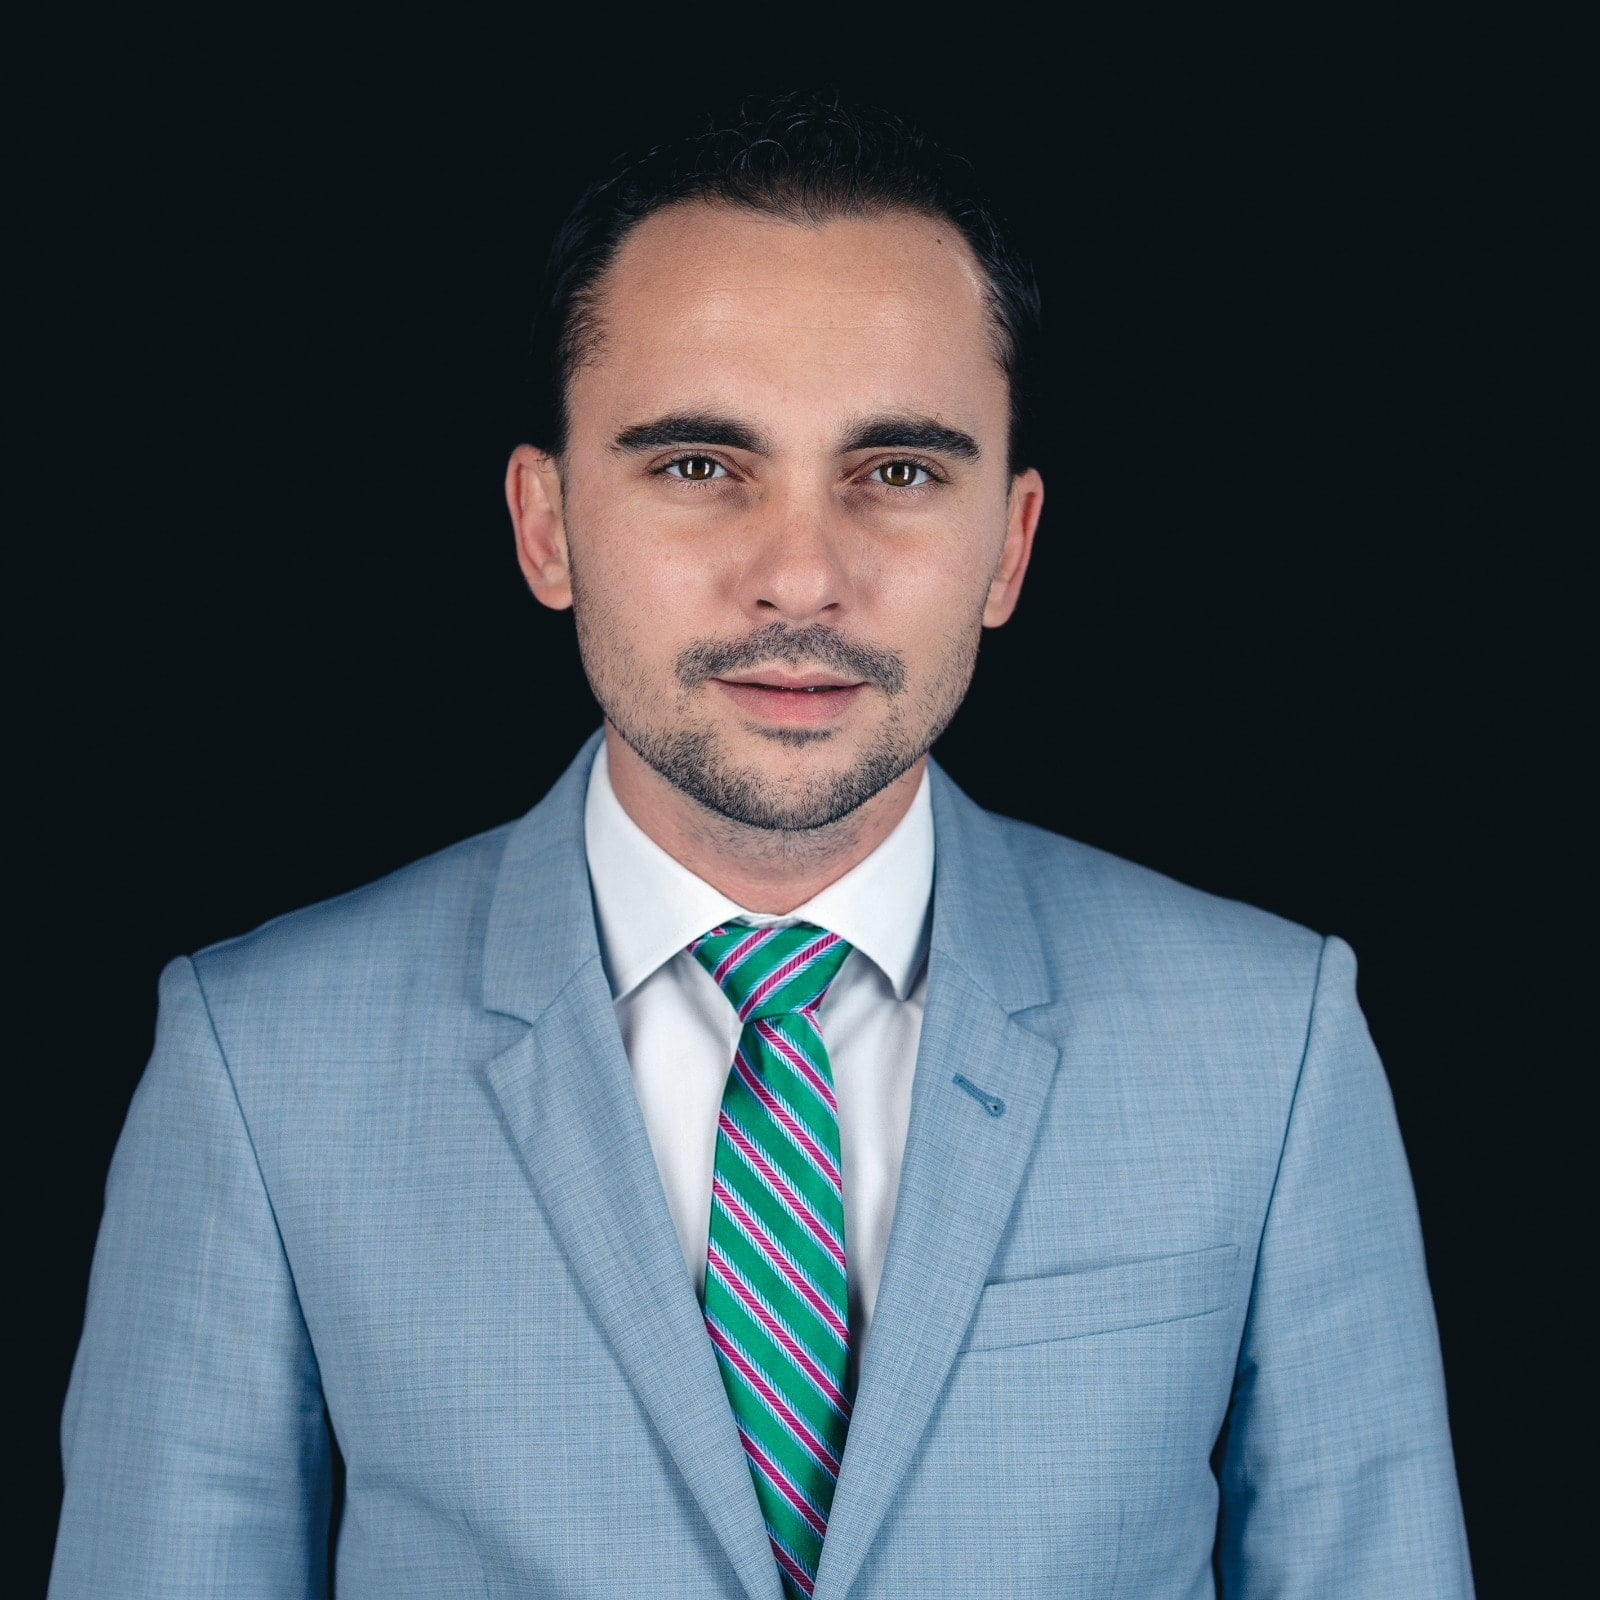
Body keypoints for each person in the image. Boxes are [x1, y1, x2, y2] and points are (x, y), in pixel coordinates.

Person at [50, 94, 1474, 1599]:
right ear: (547, 526)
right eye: (697, 466)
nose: (801, 575)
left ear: (1010, 545)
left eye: (899, 471)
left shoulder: (1271, 1043)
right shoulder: (260, 1064)